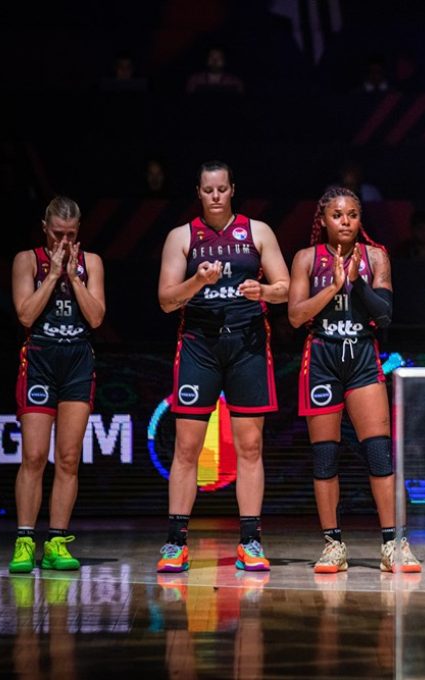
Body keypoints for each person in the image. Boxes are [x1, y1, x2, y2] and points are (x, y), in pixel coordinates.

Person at [155, 161, 289, 573]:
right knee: (186, 447)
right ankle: (176, 543)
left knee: (250, 447)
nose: (215, 196)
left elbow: (285, 289)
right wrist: (198, 282)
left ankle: (250, 541)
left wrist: (262, 290)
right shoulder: (181, 237)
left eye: (222, 189)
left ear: (232, 190)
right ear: (198, 192)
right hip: (200, 346)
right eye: (208, 190)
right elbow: (166, 301)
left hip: (248, 344)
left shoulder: (258, 231)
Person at [288, 186, 421, 574]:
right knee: (325, 456)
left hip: (361, 356)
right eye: (337, 215)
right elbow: (295, 316)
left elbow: (384, 316)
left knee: (379, 453)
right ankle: (333, 545)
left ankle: (393, 544)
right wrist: (332, 288)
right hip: (322, 358)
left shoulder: (375, 256)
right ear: (323, 220)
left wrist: (356, 283)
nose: (345, 221)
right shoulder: (306, 258)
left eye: (352, 215)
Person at [9, 196, 105, 573]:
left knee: (67, 457)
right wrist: (52, 275)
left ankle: (57, 542)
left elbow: (96, 318)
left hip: (78, 359)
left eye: (70, 235)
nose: (63, 242)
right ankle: (24, 540)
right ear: (44, 228)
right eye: (57, 234)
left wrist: (74, 278)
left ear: (78, 232)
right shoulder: (27, 260)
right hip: (40, 359)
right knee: (34, 456)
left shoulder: (91, 262)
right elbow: (25, 314)